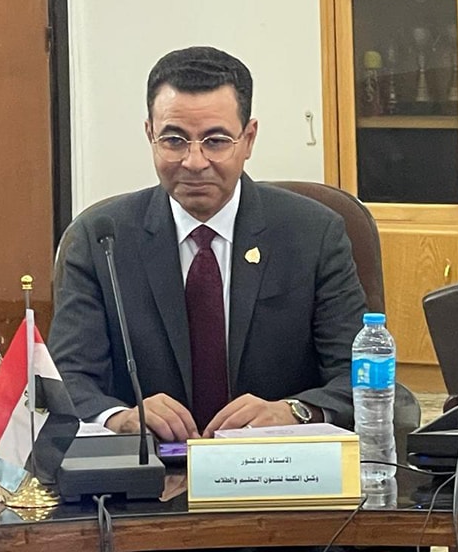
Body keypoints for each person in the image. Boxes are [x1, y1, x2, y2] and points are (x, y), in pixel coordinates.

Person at [49, 46, 366, 440]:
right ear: (150, 135)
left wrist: (295, 411)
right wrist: (118, 418)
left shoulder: (313, 234)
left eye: (215, 141)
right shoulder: (101, 239)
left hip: (274, 463)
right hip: (149, 463)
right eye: (174, 140)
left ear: (248, 139)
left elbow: (361, 376)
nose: (194, 162)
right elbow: (67, 378)